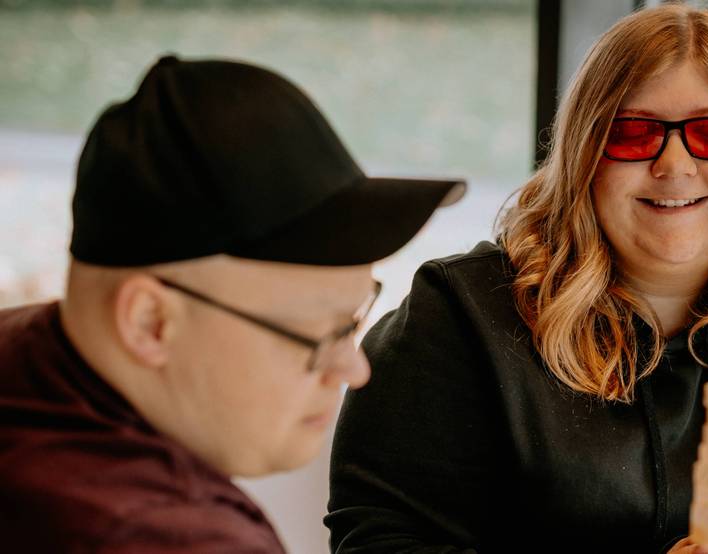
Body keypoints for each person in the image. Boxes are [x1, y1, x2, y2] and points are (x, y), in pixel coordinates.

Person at [325, 5, 708, 554]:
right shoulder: (459, 317)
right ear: (582, 153)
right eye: (631, 134)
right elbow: (379, 541)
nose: (674, 164)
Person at [0, 55, 464, 552]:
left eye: (352, 322)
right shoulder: (166, 537)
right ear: (150, 322)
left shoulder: (29, 345)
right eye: (318, 334)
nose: (354, 369)